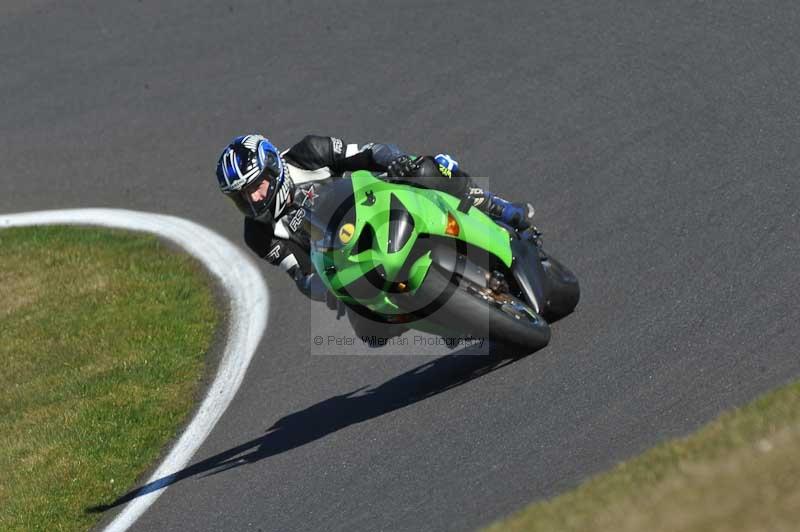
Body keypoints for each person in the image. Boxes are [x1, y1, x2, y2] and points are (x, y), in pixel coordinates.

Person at [215, 134, 534, 302]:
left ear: (273, 167)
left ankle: (497, 207)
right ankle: (437, 314)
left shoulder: (307, 153)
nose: (254, 198)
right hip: (353, 262)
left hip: (380, 206)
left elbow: (369, 152)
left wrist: (396, 162)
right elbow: (301, 277)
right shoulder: (258, 234)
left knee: (428, 166)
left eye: (257, 186)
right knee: (368, 331)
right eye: (242, 195)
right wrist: (325, 286)